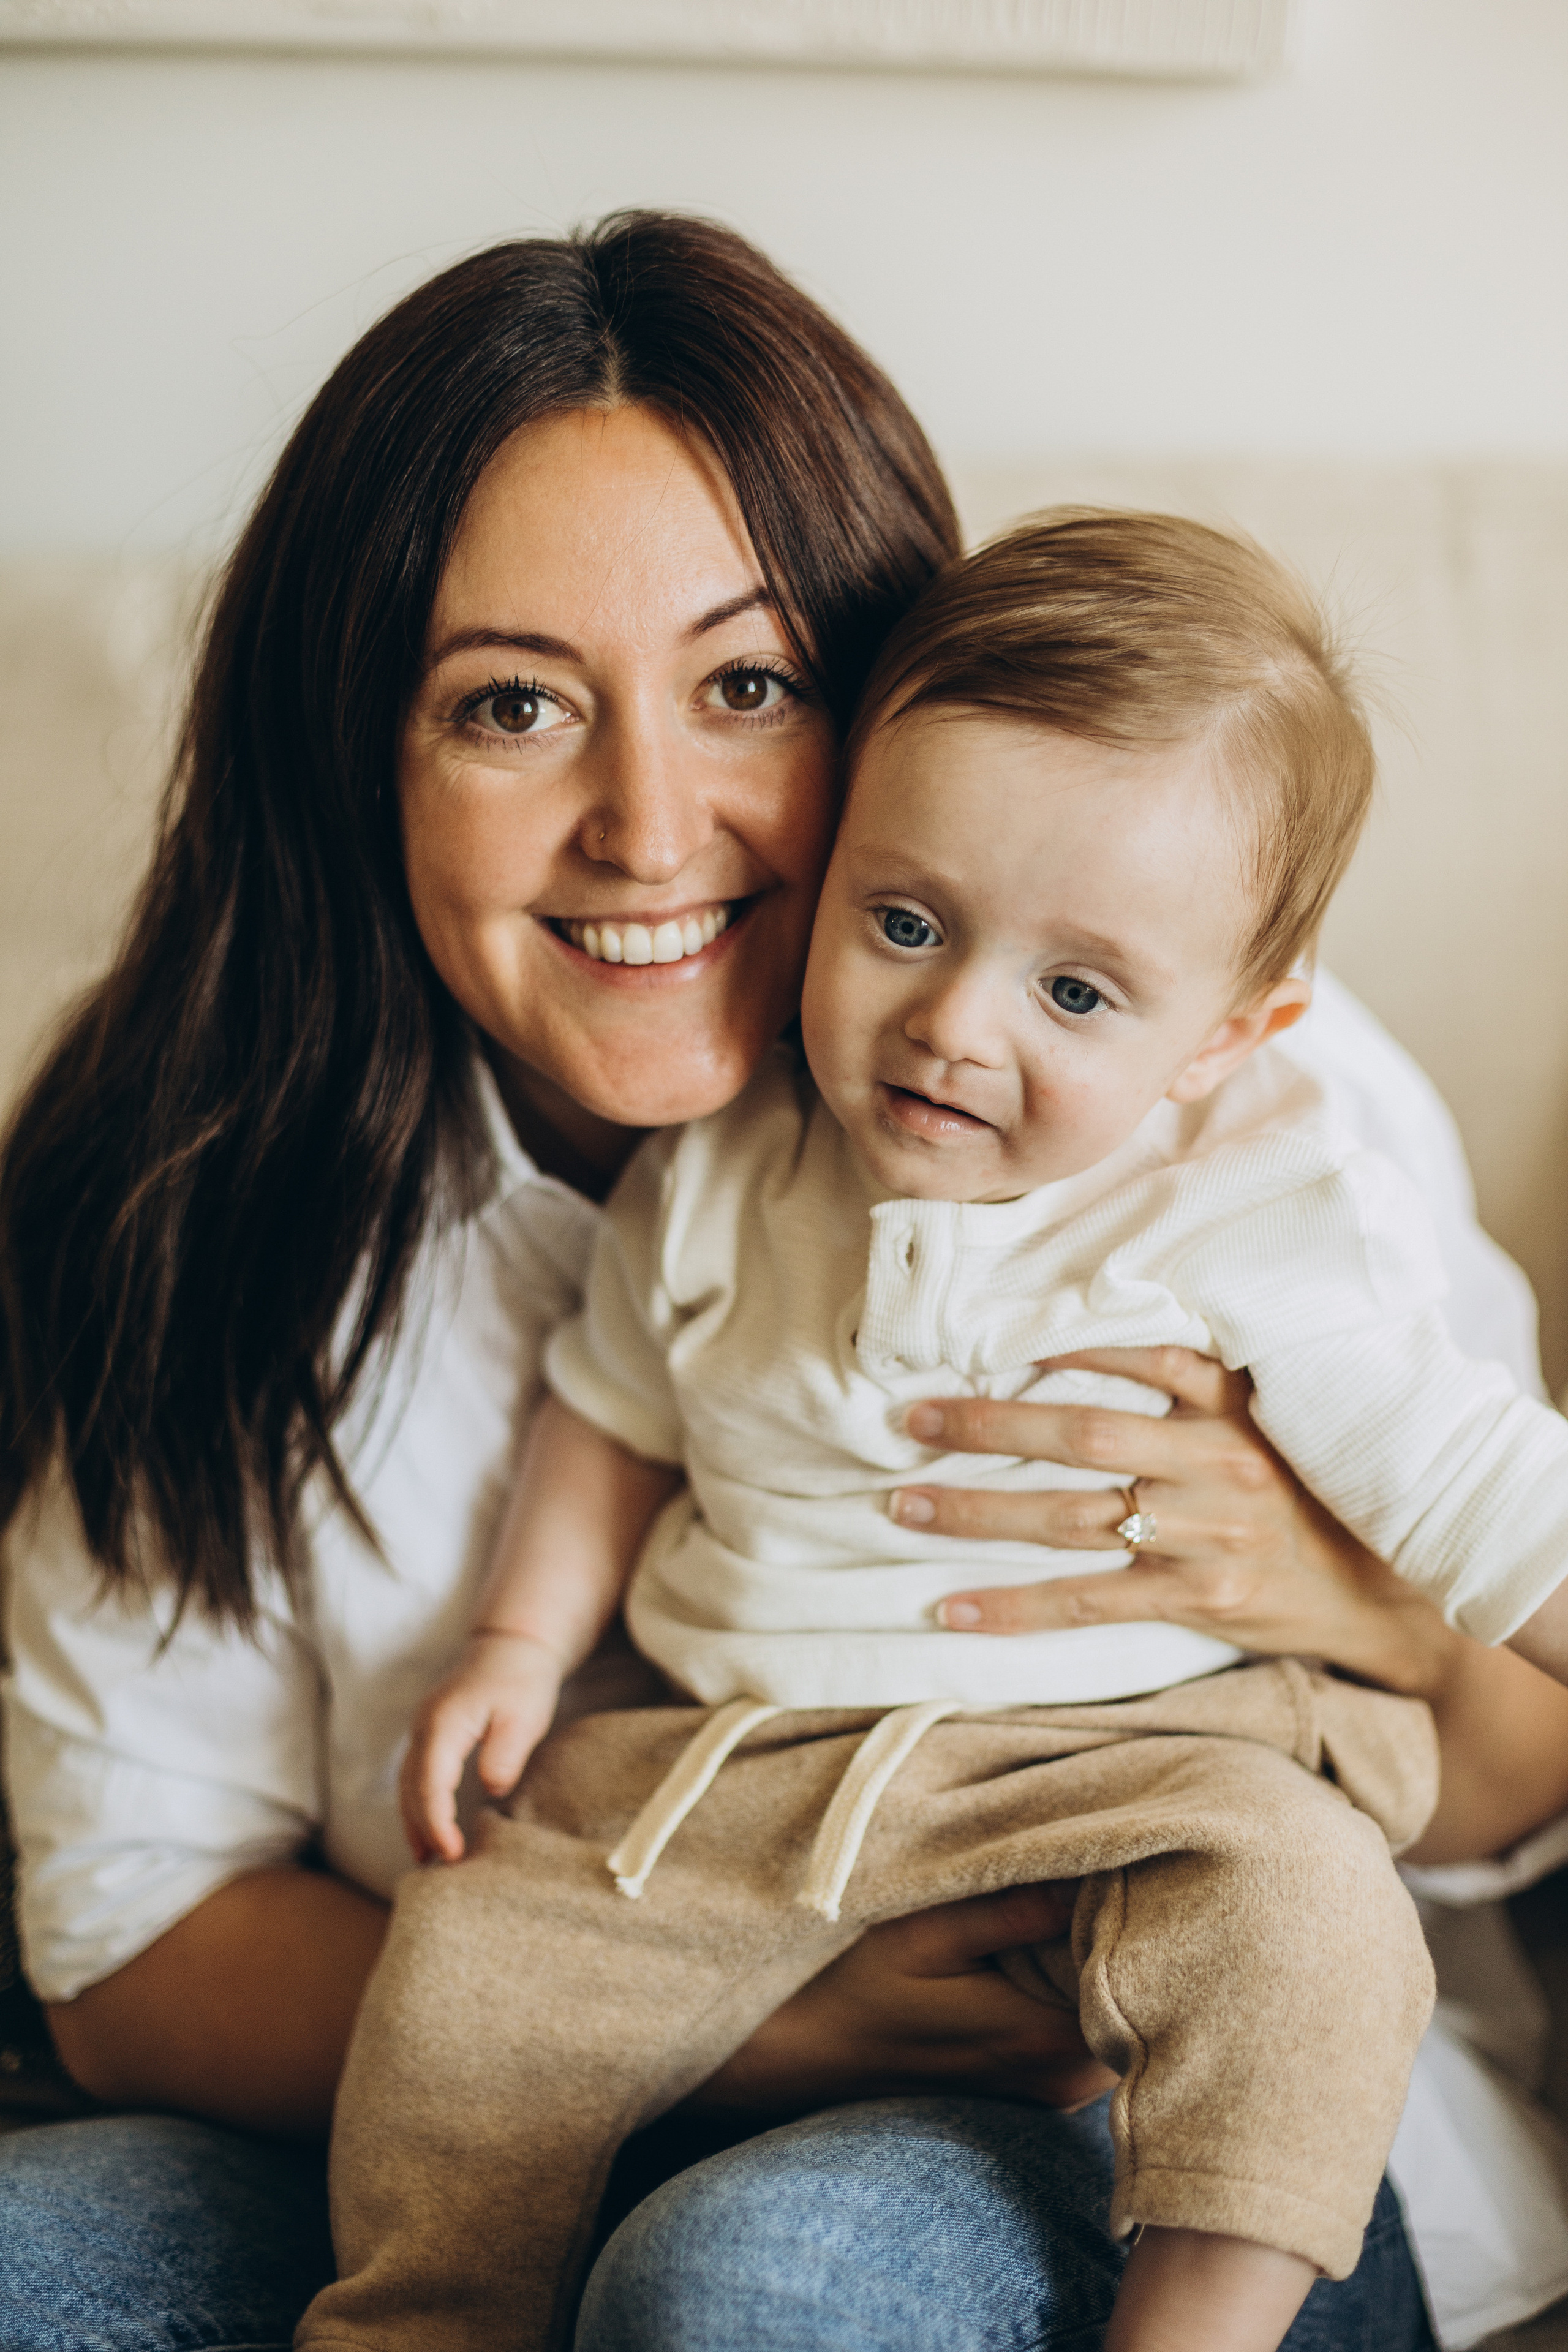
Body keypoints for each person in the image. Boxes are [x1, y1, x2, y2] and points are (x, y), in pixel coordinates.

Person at [0, 213, 1564, 2352]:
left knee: (765, 2282)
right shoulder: (193, 1187)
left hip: (1130, 2085)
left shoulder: (1221, 1113)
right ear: (361, 755)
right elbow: (126, 1942)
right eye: (512, 706)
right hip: (522, 2030)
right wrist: (737, 2020)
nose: (648, 827)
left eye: (748, 687)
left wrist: (1349, 1598)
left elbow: (1500, 1770)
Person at [308, 510, 1568, 2352]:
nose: (950, 1027)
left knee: (1308, 1923)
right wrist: (517, 1643)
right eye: (903, 923)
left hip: (1155, 1754)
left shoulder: (1254, 1209)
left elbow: (1474, 1483)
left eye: (1074, 992)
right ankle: (424, 2316)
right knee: (467, 1965)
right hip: (749, 1773)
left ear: (1229, 1033)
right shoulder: (728, 1166)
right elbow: (613, 1410)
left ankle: (1201, 2319)